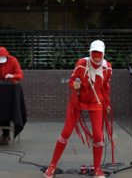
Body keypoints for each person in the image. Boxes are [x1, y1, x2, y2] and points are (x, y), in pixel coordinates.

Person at [44, 40, 113, 178]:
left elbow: (105, 87)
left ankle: (97, 169)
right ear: (90, 53)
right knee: (66, 132)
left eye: (99, 54)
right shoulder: (81, 64)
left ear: (103, 54)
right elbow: (71, 80)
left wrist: (106, 102)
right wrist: (73, 85)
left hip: (96, 102)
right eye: (94, 54)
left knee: (98, 136)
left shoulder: (107, 68)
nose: (96, 57)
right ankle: (52, 165)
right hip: (79, 100)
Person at [0, 46, 24, 145]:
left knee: (8, 110)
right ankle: (6, 134)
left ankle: (5, 134)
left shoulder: (13, 60)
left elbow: (20, 75)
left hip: (11, 90)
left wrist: (12, 76)